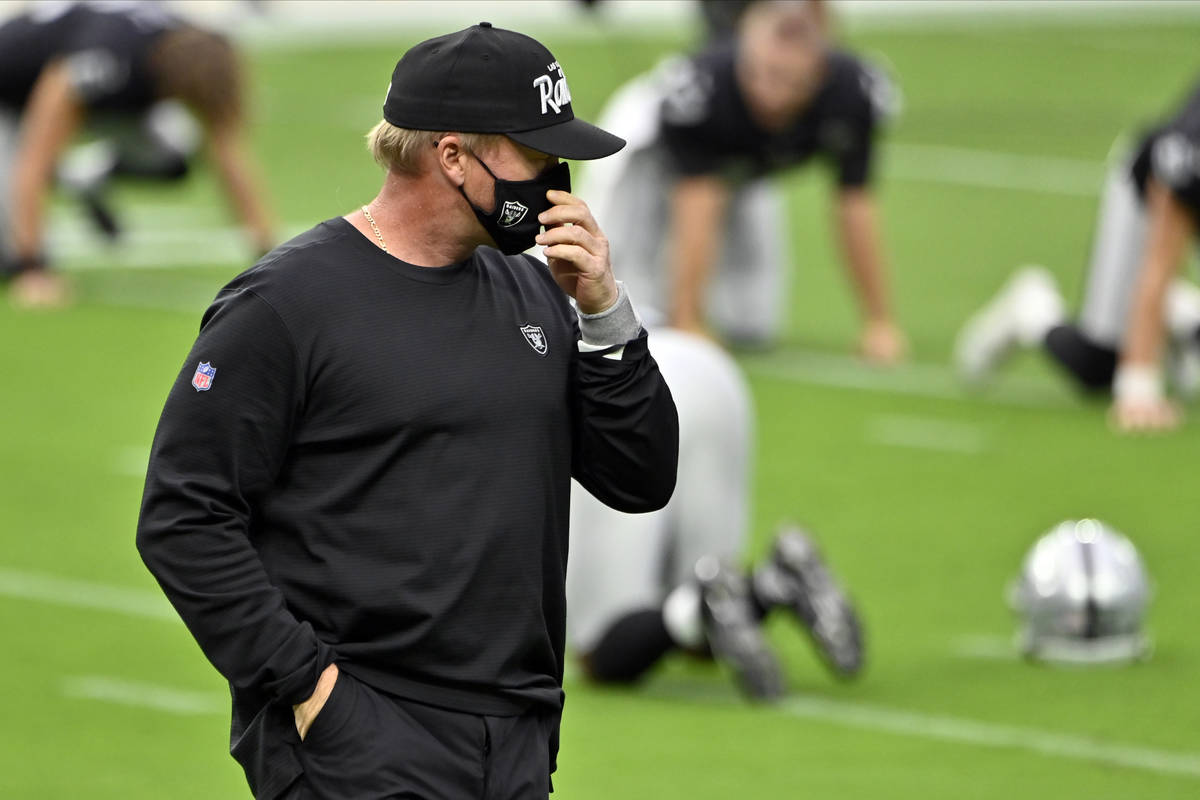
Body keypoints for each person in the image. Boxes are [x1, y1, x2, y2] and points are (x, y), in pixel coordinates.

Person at [135, 22, 679, 800]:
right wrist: (308, 688)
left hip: (515, 734)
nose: (557, 181)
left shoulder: (539, 293)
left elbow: (641, 478)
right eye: (535, 154)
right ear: (452, 155)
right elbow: (183, 517)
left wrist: (605, 316)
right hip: (357, 734)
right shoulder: (288, 304)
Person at [580, 0, 906, 361]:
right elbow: (698, 200)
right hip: (649, 149)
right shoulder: (710, 89)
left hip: (742, 167)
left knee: (751, 324)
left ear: (818, 71)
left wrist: (879, 322)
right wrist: (688, 320)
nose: (771, 93)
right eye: (762, 73)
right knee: (612, 278)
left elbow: (854, 205)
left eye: (788, 79)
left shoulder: (850, 92)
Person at [567, 327, 863, 701]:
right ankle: (774, 584)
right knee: (705, 621)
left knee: (600, 649)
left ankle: (704, 601)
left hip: (612, 373)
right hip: (704, 365)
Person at [956, 75, 1200, 433]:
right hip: (1148, 197)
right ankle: (1030, 308)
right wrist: (1139, 388)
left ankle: (1178, 317)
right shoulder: (1190, 147)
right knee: (1098, 367)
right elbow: (1161, 257)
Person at [0, 1, 274, 307]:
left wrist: (269, 255)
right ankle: (60, 186)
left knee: (174, 151)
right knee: (9, 255)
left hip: (106, 99)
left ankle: (82, 174)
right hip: (12, 96)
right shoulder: (103, 60)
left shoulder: (186, 48)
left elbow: (228, 154)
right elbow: (35, 154)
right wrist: (33, 269)